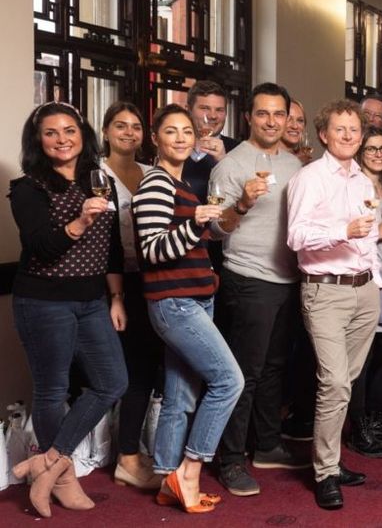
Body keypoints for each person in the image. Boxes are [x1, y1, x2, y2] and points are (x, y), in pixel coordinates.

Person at [9, 102, 128, 518]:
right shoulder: (27, 188)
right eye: (51, 133)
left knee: (113, 382)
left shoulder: (100, 181)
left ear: (83, 134)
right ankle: (63, 478)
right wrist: (79, 222)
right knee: (53, 392)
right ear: (38, 140)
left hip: (92, 300)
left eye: (69, 130)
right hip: (43, 301)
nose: (62, 139)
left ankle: (47, 461)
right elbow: (41, 247)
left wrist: (117, 298)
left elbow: (113, 248)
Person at [133, 103, 243, 514]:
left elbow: (194, 237)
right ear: (155, 138)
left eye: (186, 132)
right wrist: (194, 222)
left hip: (193, 298)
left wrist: (218, 218)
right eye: (171, 131)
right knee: (229, 382)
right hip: (176, 304)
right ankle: (190, 471)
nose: (180, 138)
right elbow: (152, 251)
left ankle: (167, 478)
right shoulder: (156, 183)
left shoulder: (178, 184)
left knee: (180, 393)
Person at [211, 83, 307, 497]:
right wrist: (243, 204)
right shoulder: (231, 165)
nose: (271, 121)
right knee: (244, 374)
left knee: (274, 368)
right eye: (263, 113)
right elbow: (215, 229)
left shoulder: (294, 164)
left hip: (288, 279)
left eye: (278, 114)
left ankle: (266, 444)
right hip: (249, 279)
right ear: (249, 117)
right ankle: (231, 459)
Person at [286, 99, 380, 510]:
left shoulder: (363, 181)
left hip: (364, 291)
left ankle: (332, 459)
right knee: (335, 382)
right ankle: (325, 471)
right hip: (325, 291)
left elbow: (369, 239)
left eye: (354, 129)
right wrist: (343, 230)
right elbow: (296, 237)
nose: (348, 135)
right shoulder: (308, 178)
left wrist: (375, 282)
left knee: (345, 383)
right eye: (339, 129)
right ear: (323, 134)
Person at [99, 102, 162, 491]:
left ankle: (129, 451)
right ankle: (122, 455)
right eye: (120, 126)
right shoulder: (95, 175)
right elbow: (104, 243)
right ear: (106, 131)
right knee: (120, 373)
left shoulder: (152, 173)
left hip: (150, 279)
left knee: (145, 369)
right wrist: (116, 296)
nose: (128, 133)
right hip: (109, 284)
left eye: (136, 126)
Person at [346, 130, 382, 459]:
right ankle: (358, 427)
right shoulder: (355, 187)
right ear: (360, 152)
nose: (379, 154)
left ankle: (376, 417)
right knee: (364, 357)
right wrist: (378, 233)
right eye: (371, 149)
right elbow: (346, 235)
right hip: (368, 276)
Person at [182, 80, 238, 200]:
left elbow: (245, 201)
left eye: (219, 110)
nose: (213, 116)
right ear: (188, 110)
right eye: (205, 108)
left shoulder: (239, 149)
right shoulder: (176, 148)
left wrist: (224, 162)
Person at [280, 99, 315, 165]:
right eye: (288, 120)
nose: (295, 126)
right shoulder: (265, 157)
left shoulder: (305, 161)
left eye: (300, 120)